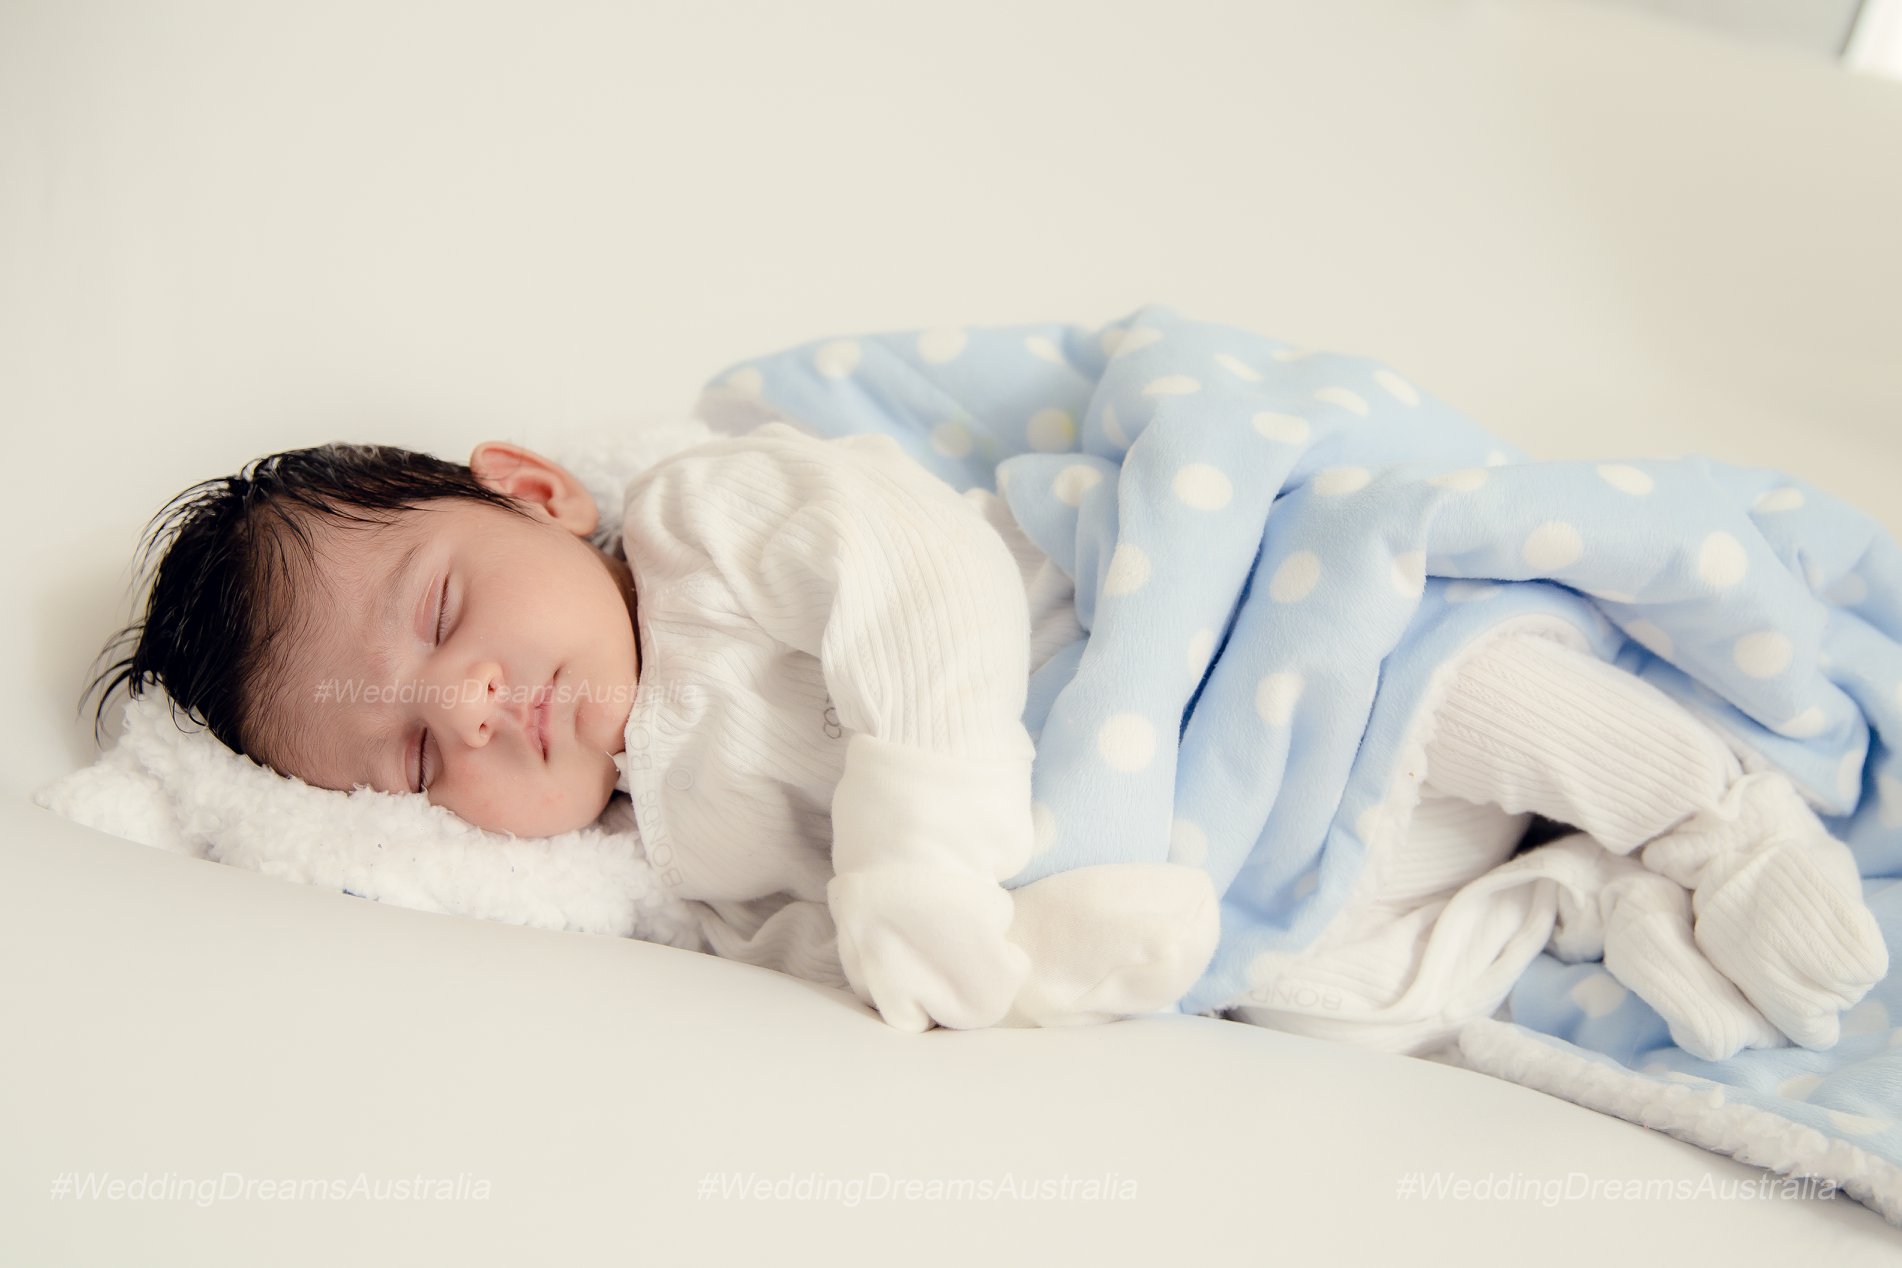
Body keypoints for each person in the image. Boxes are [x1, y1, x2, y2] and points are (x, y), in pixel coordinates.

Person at [91, 423, 1886, 1055]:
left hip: (1222, 670)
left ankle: (1711, 818)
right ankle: (1576, 896)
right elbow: (819, 945)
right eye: (417, 763)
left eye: (440, 618)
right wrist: (942, 957)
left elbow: (926, 585)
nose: (474, 705)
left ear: (536, 493)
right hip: (1221, 838)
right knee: (1321, 986)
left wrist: (917, 852)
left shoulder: (707, 528)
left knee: (1472, 697)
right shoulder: (666, 872)